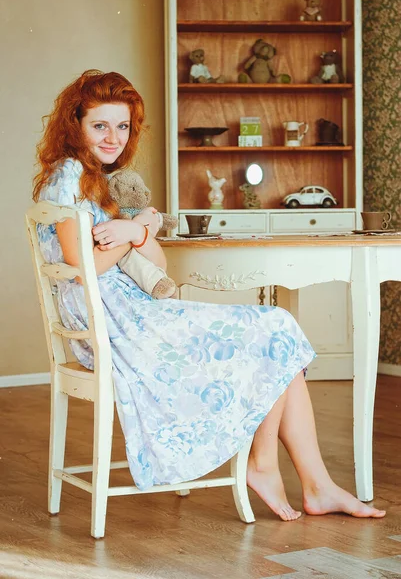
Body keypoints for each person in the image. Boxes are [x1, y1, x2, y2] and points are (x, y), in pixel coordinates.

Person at [33, 70, 385, 521]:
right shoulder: (68, 176)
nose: (113, 137)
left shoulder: (95, 182)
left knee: (278, 338)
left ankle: (315, 485)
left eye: (122, 126)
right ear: (75, 123)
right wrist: (138, 228)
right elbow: (84, 268)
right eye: (100, 125)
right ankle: (268, 467)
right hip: (113, 326)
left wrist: (136, 230)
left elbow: (155, 262)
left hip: (127, 316)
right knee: (275, 328)